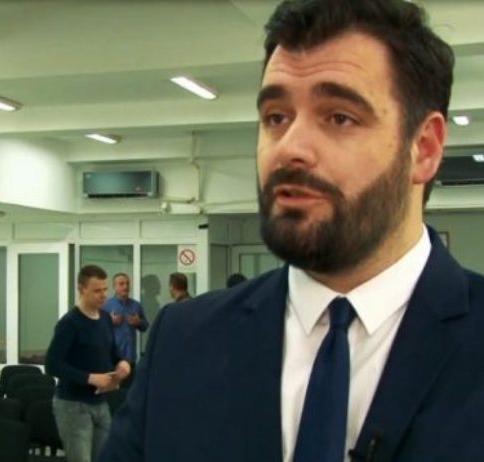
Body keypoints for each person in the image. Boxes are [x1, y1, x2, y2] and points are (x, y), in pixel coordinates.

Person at [99, 1, 484, 461]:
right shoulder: (184, 342)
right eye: (276, 117)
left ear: (424, 148)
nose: (290, 147)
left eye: (339, 117)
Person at [46, 265, 131, 462]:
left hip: (100, 402)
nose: (103, 295)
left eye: (105, 289)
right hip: (73, 405)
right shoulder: (69, 323)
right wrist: (90, 378)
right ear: (81, 289)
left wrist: (123, 363)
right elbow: (52, 364)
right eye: (96, 290)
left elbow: (112, 353)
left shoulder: (105, 319)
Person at [102, 272, 149, 369]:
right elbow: (96, 328)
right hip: (112, 358)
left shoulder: (136, 305)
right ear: (114, 287)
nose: (126, 287)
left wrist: (138, 322)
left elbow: (145, 326)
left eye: (127, 283)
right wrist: (110, 322)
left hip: (130, 357)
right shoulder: (105, 305)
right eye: (121, 284)